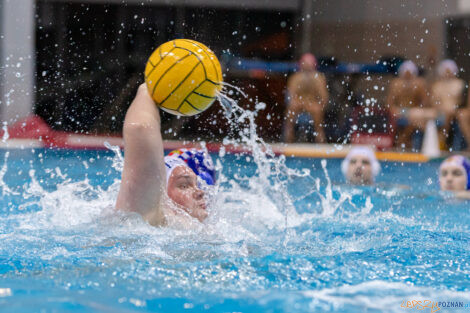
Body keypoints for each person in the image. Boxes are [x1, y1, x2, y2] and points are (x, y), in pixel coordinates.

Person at [115, 84, 215, 226]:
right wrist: (151, 86)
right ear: (161, 197)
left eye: (196, 184)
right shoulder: (152, 220)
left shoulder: (203, 232)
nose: (199, 192)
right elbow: (140, 128)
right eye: (184, 186)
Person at [386, 60, 436, 149]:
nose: (407, 75)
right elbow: (390, 102)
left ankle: (403, 141)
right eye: (406, 73)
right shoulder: (396, 84)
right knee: (416, 118)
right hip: (401, 110)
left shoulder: (419, 83)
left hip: (414, 111)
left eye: (410, 73)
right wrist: (394, 109)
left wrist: (419, 108)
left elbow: (425, 101)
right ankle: (404, 141)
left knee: (418, 116)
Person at [284, 53, 329, 143]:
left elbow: (323, 96)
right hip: (299, 102)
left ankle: (319, 136)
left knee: (317, 109)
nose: (307, 66)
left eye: (309, 64)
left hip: (313, 104)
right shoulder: (295, 77)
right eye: (305, 64)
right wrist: (299, 102)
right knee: (292, 107)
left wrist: (320, 104)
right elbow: (291, 95)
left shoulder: (319, 78)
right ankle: (289, 134)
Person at [430, 60, 466, 147]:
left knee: (449, 113)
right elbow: (433, 102)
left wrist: (454, 108)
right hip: (440, 111)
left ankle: (442, 140)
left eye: (449, 71)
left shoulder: (459, 84)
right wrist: (440, 108)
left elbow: (460, 101)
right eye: (446, 71)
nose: (448, 74)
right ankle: (438, 140)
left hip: (453, 110)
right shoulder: (437, 85)